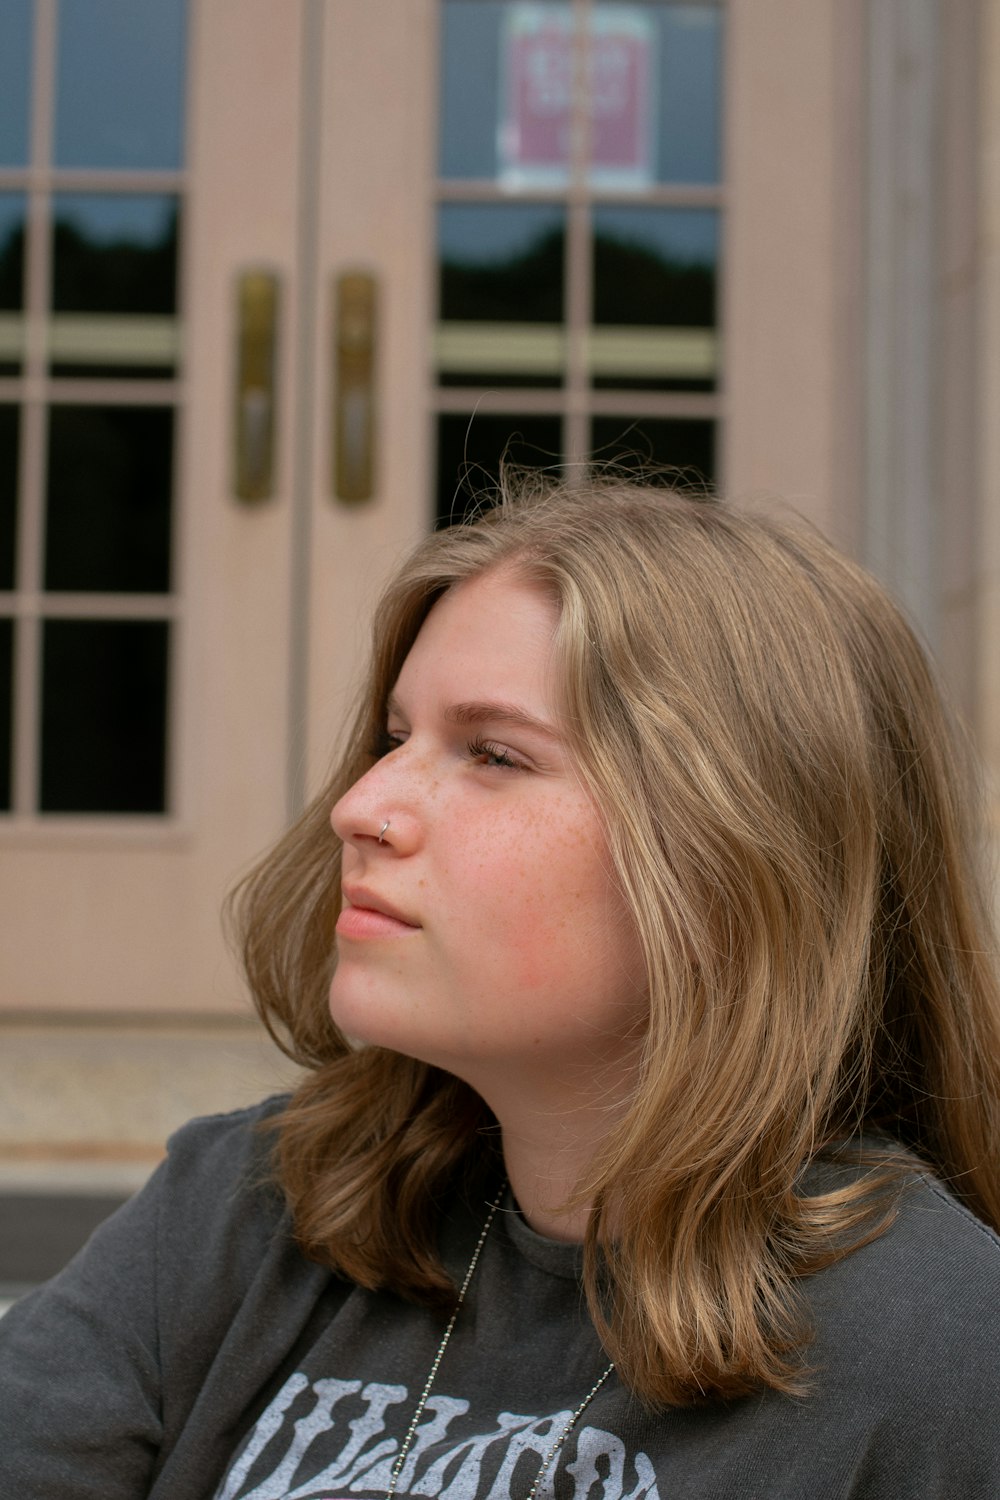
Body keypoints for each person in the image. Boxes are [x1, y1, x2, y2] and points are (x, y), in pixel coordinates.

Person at [2, 477, 1000, 1500]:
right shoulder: (248, 1212)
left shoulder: (942, 1353)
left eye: (493, 754)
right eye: (397, 738)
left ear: (729, 863)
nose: (360, 805)